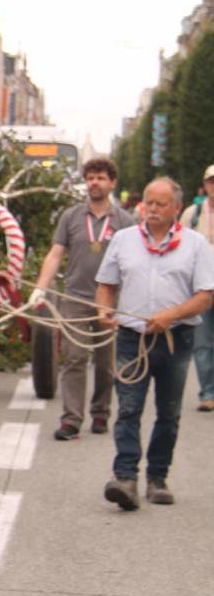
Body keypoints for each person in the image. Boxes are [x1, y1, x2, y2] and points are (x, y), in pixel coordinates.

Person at [95, 177, 214, 510]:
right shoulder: (123, 240)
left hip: (176, 338)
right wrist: (104, 307)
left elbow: (205, 296)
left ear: (177, 208)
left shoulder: (196, 245)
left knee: (169, 412)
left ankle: (158, 477)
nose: (154, 210)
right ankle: (125, 478)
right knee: (129, 408)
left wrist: (171, 314)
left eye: (162, 204)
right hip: (132, 337)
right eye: (149, 202)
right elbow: (106, 285)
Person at [29, 158, 135, 440]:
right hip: (74, 297)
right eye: (90, 178)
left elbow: (135, 261)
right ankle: (71, 419)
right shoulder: (71, 216)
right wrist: (40, 288)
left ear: (112, 182)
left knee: (105, 361)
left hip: (110, 301)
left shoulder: (125, 221)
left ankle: (100, 412)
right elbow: (55, 253)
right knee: (74, 359)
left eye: (100, 178)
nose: (94, 183)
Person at [179, 164, 214, 412]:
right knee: (202, 343)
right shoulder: (193, 213)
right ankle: (207, 392)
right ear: (205, 186)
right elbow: (179, 249)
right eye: (212, 182)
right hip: (202, 289)